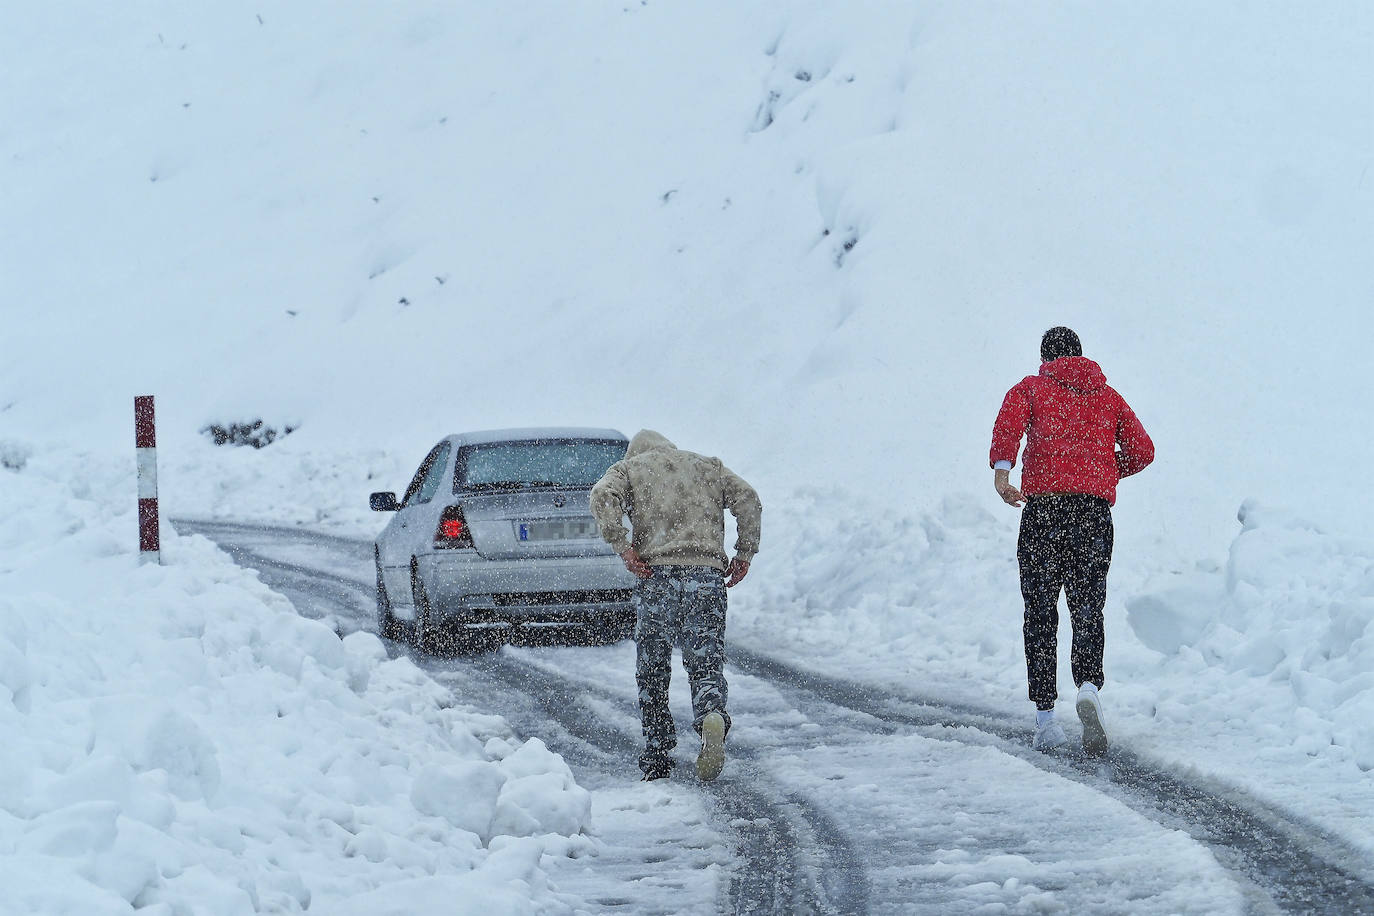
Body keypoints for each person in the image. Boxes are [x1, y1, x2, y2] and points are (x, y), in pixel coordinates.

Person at [989, 327, 1154, 755]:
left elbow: (1009, 425)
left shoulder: (1032, 388)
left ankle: (1045, 718)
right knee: (1087, 606)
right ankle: (1088, 686)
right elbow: (1142, 449)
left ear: (1045, 357)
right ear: (1081, 356)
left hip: (1044, 512)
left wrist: (1003, 474)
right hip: (1093, 516)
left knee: (1041, 611)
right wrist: (1101, 470)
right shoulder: (1108, 396)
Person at [590, 430, 762, 781]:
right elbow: (748, 499)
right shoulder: (707, 466)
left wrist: (622, 546)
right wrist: (744, 552)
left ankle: (657, 751)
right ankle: (711, 714)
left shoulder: (629, 470)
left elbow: (602, 496)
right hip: (706, 577)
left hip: (657, 579)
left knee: (652, 667)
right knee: (705, 660)